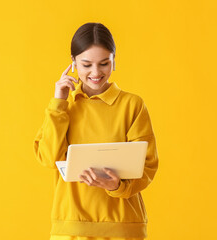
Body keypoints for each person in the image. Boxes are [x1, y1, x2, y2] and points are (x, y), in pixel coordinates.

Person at [33, 22, 159, 240]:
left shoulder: (132, 105)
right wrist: (58, 102)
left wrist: (117, 185)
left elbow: (147, 166)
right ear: (72, 63)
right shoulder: (63, 107)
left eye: (104, 63)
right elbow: (48, 157)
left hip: (122, 228)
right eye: (86, 64)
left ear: (114, 61)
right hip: (71, 229)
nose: (96, 72)